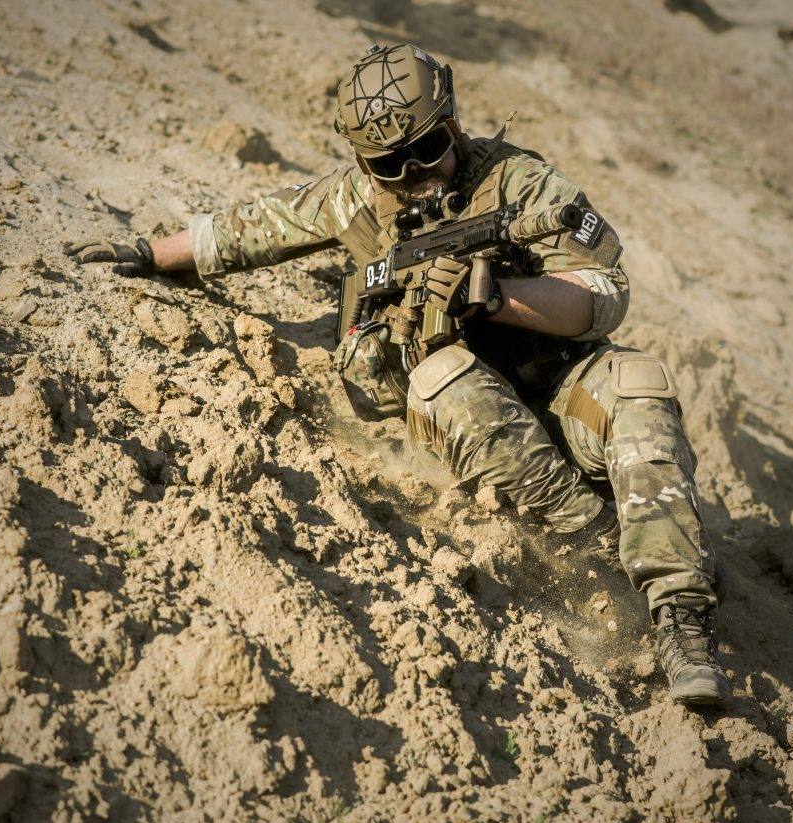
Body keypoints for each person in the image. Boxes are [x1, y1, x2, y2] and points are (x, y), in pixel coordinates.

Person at [66, 44, 731, 706]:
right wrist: (151, 251)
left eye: (428, 147)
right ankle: (599, 542)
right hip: (457, 420)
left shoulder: (521, 186)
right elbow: (257, 228)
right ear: (362, 163)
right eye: (389, 164)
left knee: (638, 380)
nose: (413, 173)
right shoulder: (354, 204)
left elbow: (604, 293)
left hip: (557, 389)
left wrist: (498, 294)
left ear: (454, 125)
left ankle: (681, 617)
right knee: (443, 375)